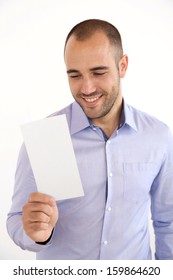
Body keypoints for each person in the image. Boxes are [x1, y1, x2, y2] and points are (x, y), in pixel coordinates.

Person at [7, 19, 173, 260]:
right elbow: (15, 219)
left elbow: (167, 222)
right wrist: (36, 233)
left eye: (98, 72)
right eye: (75, 75)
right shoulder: (46, 138)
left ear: (123, 65)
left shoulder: (157, 136)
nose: (86, 88)